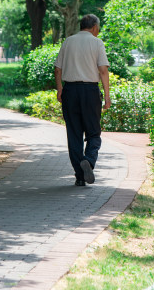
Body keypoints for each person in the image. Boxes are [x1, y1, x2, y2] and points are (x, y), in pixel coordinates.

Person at [54, 13, 111, 186]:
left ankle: (80, 176)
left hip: (70, 91)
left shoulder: (68, 41)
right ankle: (89, 161)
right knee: (94, 133)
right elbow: (103, 71)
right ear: (94, 27)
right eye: (98, 28)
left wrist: (60, 89)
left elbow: (57, 69)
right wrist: (107, 96)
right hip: (90, 91)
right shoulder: (96, 42)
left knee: (74, 134)